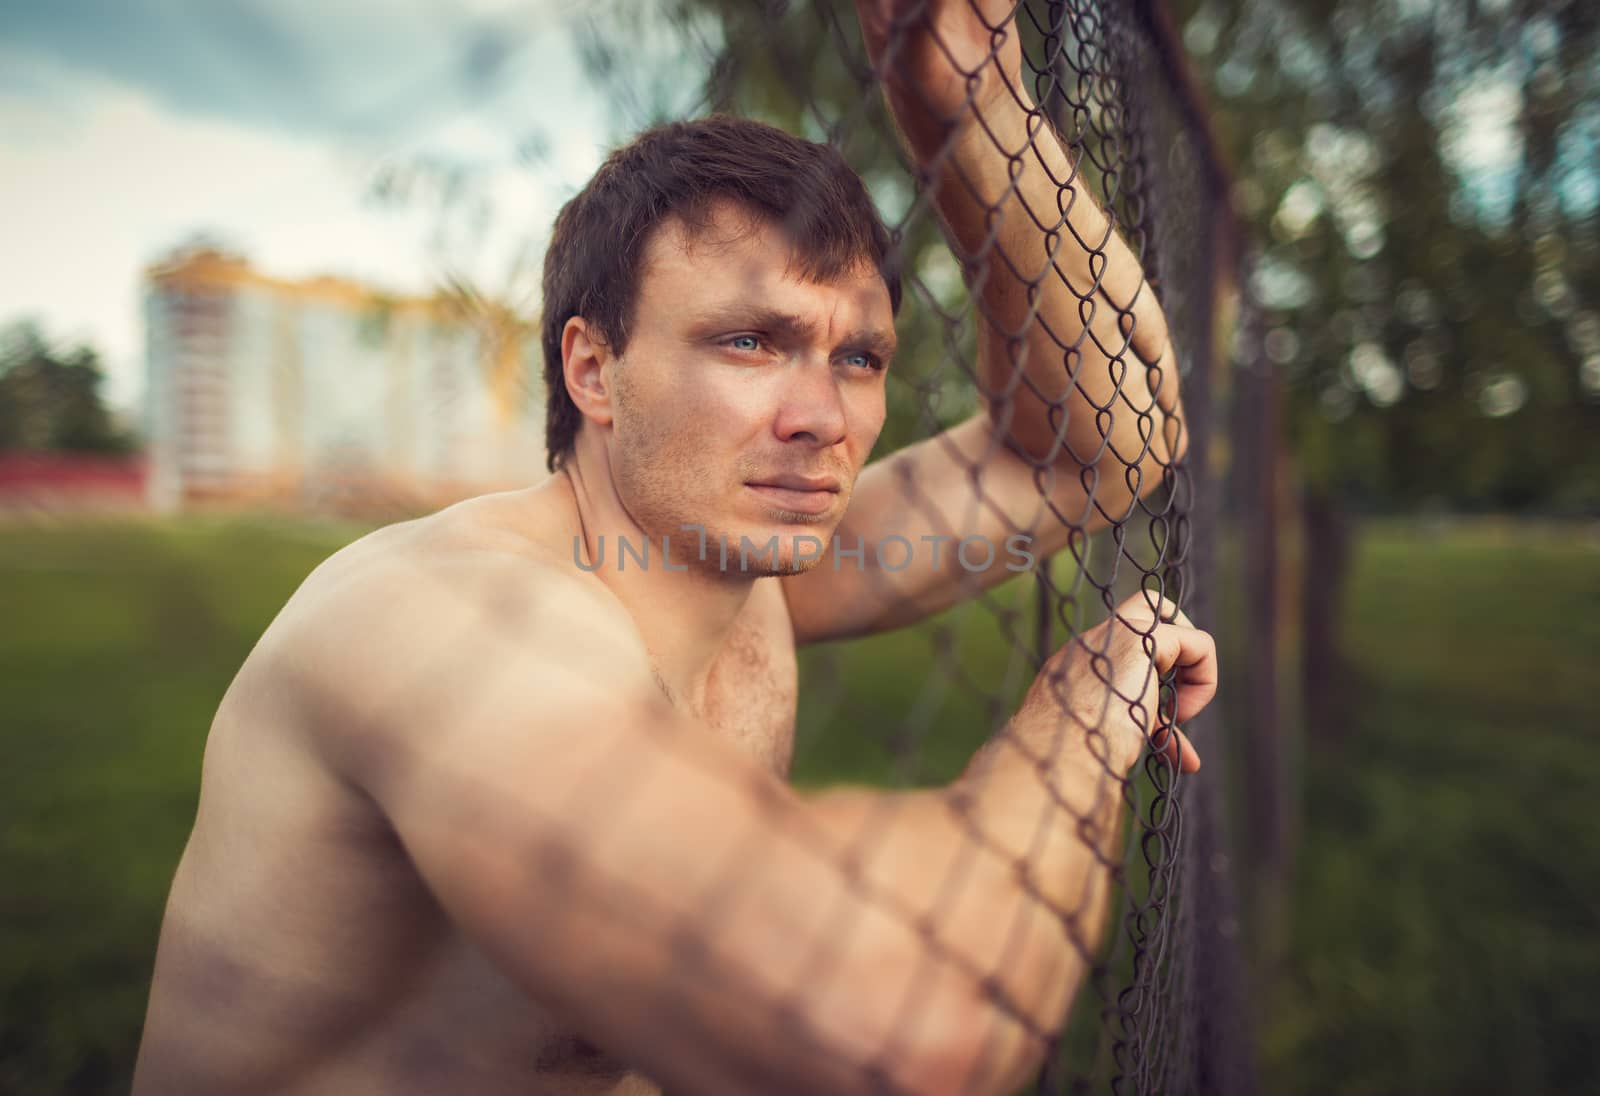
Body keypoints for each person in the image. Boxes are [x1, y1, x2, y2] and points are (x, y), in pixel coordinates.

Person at [131, 1, 1216, 1093]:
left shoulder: (736, 580)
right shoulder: (440, 625)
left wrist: (977, 117)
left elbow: (1109, 442)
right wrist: (1087, 703)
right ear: (592, 371)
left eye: (859, 357)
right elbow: (900, 1024)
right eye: (751, 340)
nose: (821, 418)